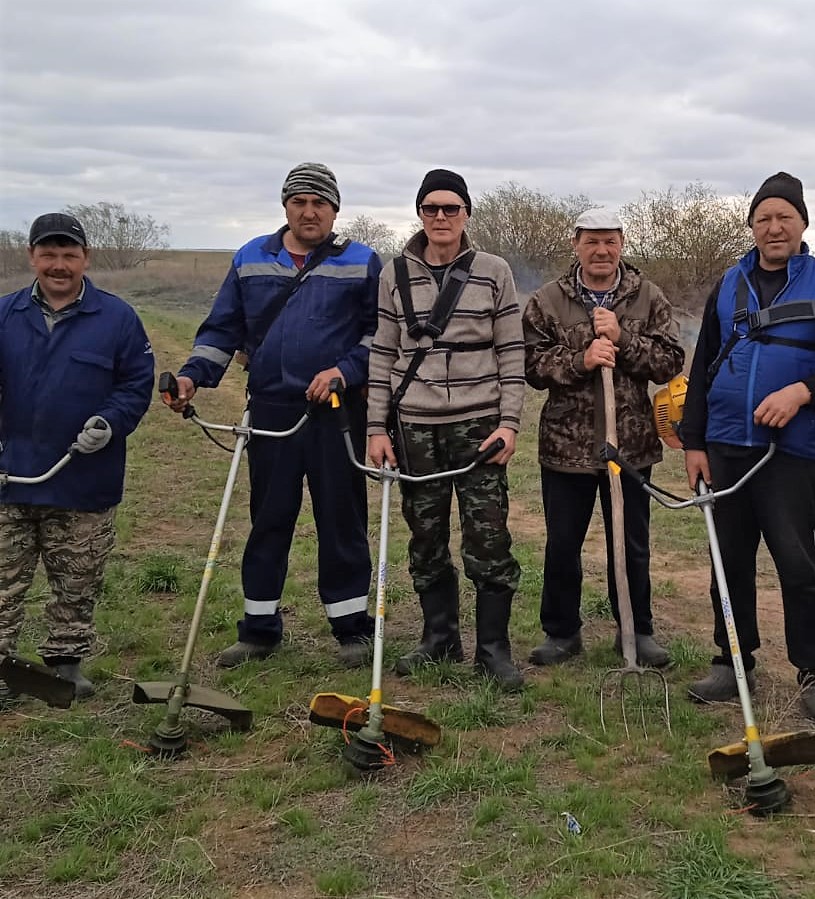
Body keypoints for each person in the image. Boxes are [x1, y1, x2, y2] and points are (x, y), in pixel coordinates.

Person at [167, 163, 380, 668]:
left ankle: (352, 629)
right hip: (270, 411)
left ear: (335, 210)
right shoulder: (250, 259)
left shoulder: (361, 261)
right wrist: (192, 376)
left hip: (335, 413)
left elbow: (380, 336)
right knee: (269, 519)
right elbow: (222, 330)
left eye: (320, 204)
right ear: (285, 206)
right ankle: (259, 629)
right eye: (300, 202)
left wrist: (344, 371)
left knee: (341, 519)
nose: (310, 212)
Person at [678, 172, 815, 724]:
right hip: (725, 447)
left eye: (784, 216)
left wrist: (802, 392)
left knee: (798, 562)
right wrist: (694, 441)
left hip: (791, 452)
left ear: (803, 223)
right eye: (763, 217)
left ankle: (814, 675)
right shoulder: (729, 283)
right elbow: (702, 366)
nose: (773, 226)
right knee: (728, 561)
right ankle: (730, 659)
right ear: (752, 227)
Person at [366, 168, 525, 690]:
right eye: (431, 208)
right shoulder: (395, 273)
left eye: (450, 208)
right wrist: (377, 428)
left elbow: (511, 353)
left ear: (466, 215)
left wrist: (509, 422)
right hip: (414, 427)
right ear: (419, 213)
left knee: (487, 535)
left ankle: (493, 649)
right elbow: (383, 354)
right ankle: (439, 639)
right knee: (426, 534)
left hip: (479, 425)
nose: (440, 217)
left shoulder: (494, 270)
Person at [0, 213, 155, 700]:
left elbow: (135, 385)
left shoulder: (117, 318)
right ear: (32, 258)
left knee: (77, 577)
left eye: (69, 255)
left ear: (85, 259)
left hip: (84, 478)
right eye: (49, 254)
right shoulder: (4, 315)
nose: (59, 265)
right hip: (10, 477)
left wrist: (109, 422)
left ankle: (65, 662)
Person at [523, 208, 685, 668]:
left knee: (631, 543)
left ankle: (636, 630)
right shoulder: (549, 300)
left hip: (630, 447)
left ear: (621, 243)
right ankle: (561, 633)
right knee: (562, 544)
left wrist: (624, 341)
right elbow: (531, 366)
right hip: (565, 447)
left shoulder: (647, 297)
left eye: (610, 241)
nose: (601, 250)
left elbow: (670, 362)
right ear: (575, 244)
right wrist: (582, 359)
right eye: (592, 241)